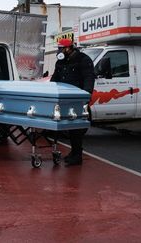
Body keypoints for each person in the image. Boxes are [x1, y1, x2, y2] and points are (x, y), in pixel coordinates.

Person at [50, 38, 95, 166]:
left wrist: (86, 96)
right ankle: (74, 152)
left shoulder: (83, 60)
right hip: (65, 99)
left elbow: (88, 78)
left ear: (69, 48)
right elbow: (55, 78)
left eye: (61, 48)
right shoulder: (60, 62)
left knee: (77, 128)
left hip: (78, 99)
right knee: (69, 127)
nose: (59, 51)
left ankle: (77, 155)